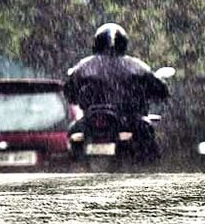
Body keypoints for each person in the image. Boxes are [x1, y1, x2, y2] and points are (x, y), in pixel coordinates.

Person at [65, 23, 169, 161]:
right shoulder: (136, 66)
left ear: (97, 43)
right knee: (148, 136)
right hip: (129, 120)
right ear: (123, 43)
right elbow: (160, 89)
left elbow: (69, 93)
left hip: (91, 123)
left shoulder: (83, 67)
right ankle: (148, 170)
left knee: (73, 132)